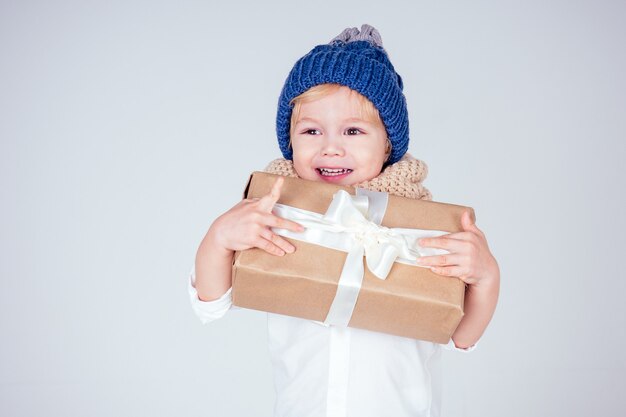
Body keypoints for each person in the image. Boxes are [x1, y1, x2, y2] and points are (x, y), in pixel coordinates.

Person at [188, 24, 500, 417]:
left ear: (387, 142)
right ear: (290, 140)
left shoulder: (423, 226)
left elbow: (460, 333)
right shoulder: (277, 210)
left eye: (353, 130)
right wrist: (218, 240)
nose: (331, 147)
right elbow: (211, 302)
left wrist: (486, 277)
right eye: (311, 130)